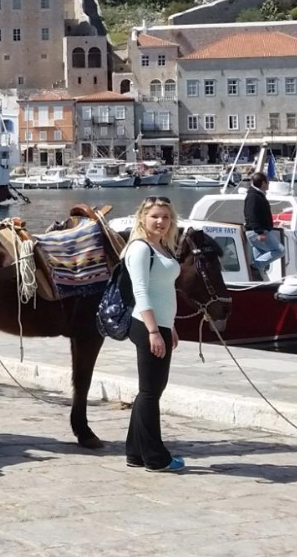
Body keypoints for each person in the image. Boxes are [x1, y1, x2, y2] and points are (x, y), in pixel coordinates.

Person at [124, 196, 185, 473]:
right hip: (147, 326)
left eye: (166, 217)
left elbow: (163, 290)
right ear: (142, 218)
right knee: (150, 392)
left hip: (160, 325)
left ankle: (136, 453)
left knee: (150, 391)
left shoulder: (160, 247)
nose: (161, 221)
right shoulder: (140, 248)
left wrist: (169, 326)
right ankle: (156, 458)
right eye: (155, 216)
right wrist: (153, 331)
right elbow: (141, 291)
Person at [244, 171, 281, 278]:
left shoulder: (257, 195)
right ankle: (255, 266)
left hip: (257, 231)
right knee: (279, 250)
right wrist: (259, 232)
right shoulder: (253, 196)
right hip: (257, 232)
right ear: (263, 183)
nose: (269, 184)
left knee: (260, 255)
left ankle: (259, 277)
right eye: (268, 182)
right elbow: (251, 215)